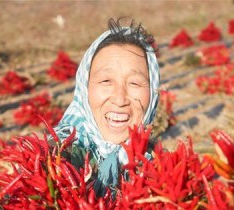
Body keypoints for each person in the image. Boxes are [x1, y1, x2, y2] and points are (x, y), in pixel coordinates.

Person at [55, 18, 160, 195]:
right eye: (106, 81)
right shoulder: (54, 156)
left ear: (153, 94)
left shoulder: (157, 162)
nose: (120, 99)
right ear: (84, 88)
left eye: (134, 83)